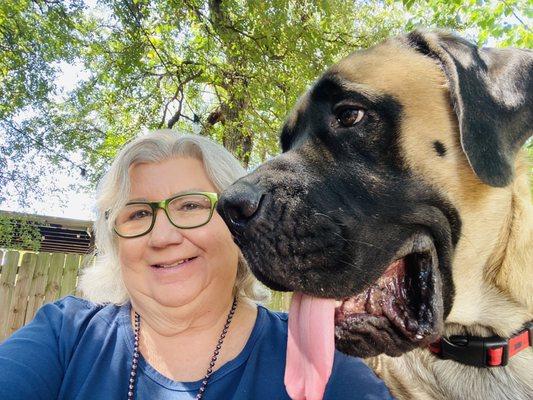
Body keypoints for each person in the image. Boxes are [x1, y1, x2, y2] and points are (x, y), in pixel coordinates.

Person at [0, 130, 393, 399]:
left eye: (191, 206)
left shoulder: (317, 357)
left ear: (240, 223)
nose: (163, 236)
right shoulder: (64, 335)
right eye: (137, 214)